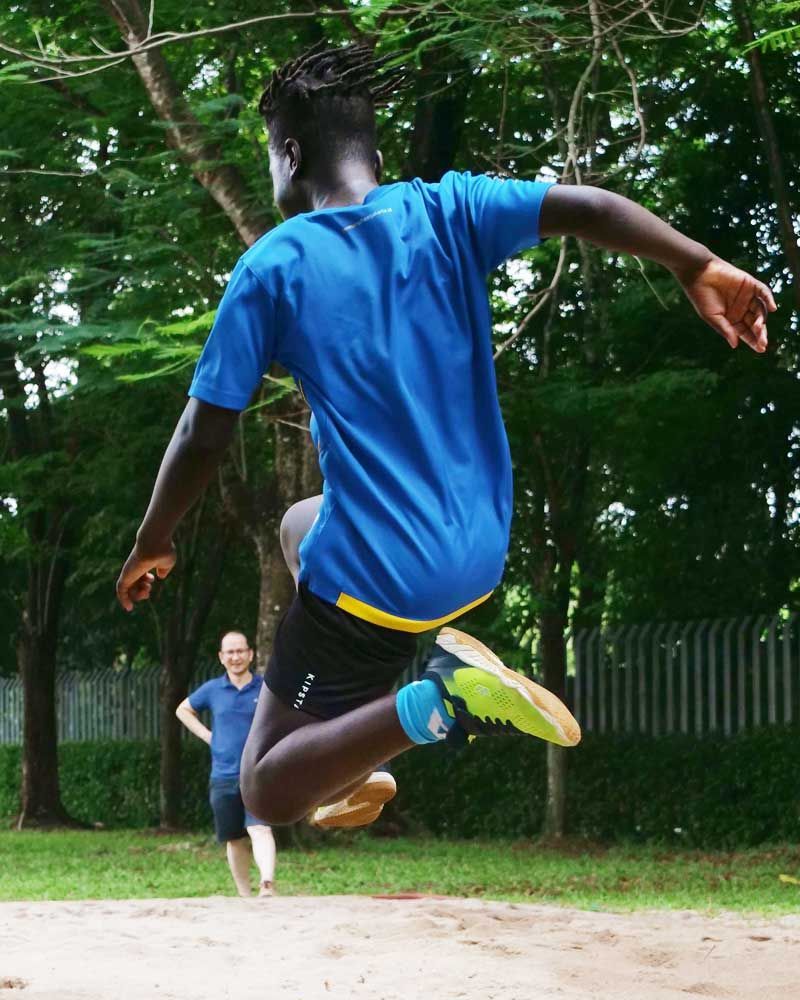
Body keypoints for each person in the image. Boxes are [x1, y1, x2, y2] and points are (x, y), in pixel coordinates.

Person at [117, 44, 775, 830]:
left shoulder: (275, 265)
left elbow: (204, 432)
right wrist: (695, 262)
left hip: (382, 578)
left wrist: (153, 538)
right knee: (300, 525)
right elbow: (587, 207)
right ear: (379, 155)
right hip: (474, 554)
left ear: (290, 157)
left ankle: (437, 703)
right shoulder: (449, 209)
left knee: (264, 788)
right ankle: (360, 752)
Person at [176, 630, 276, 896]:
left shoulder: (266, 688)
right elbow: (183, 710)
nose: (236, 657)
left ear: (250, 654)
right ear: (221, 657)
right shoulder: (212, 689)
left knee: (260, 827)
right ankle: (244, 895)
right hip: (223, 775)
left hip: (258, 772)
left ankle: (267, 884)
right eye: (230, 652)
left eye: (240, 651)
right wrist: (208, 737)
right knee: (234, 838)